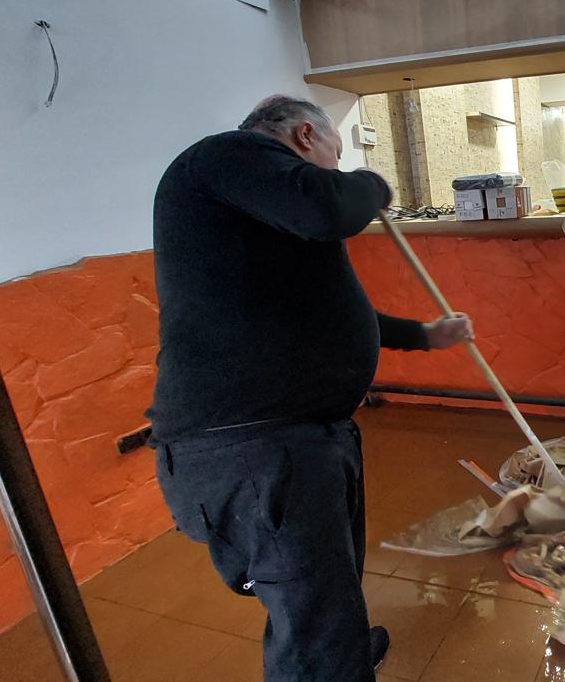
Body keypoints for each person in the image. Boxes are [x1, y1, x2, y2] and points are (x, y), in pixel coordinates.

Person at [147, 95, 472, 681]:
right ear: (303, 135)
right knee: (309, 618)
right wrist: (373, 183)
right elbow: (330, 208)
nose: (336, 168)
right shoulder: (225, 156)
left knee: (328, 582)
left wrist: (425, 335)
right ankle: (330, 657)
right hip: (255, 447)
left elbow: (331, 314)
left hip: (297, 438)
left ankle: (340, 640)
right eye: (335, 153)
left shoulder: (263, 213)